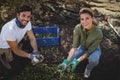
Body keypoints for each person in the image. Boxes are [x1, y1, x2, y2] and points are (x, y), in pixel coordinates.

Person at [57, 8, 103, 78]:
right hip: (82, 47)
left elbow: (89, 51)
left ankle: (88, 68)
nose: (85, 21)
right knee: (69, 62)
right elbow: (74, 47)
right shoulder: (78, 28)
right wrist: (65, 62)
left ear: (92, 18)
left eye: (87, 18)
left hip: (94, 49)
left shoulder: (98, 33)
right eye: (82, 19)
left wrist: (77, 61)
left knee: (94, 60)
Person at [0, 5, 44, 69]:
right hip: (6, 49)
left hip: (17, 42)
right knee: (18, 67)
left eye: (28, 17)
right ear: (18, 15)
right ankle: (3, 60)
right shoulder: (10, 30)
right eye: (23, 15)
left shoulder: (27, 22)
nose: (26, 19)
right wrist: (30, 56)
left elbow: (32, 38)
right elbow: (16, 50)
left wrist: (35, 51)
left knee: (33, 48)